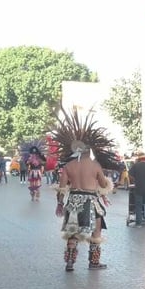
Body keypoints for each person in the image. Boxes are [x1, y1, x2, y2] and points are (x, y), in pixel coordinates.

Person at [52, 108, 116, 272]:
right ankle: (94, 262)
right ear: (90, 151)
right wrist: (105, 182)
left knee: (72, 233)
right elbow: (103, 185)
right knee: (96, 231)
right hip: (91, 201)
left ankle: (70, 262)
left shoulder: (68, 166)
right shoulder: (95, 165)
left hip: (73, 201)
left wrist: (60, 203)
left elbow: (62, 188)